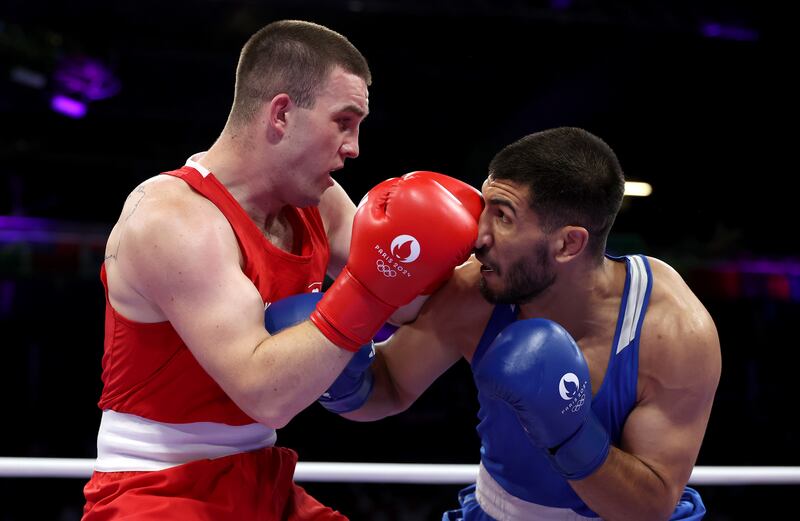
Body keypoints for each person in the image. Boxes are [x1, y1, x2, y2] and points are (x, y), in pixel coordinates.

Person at [82, 19, 481, 520]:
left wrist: (475, 263)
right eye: (344, 121)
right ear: (282, 114)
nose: (354, 147)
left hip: (262, 477)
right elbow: (264, 394)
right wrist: (373, 290)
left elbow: (407, 304)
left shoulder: (317, 201)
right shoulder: (172, 219)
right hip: (156, 489)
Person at [340, 127, 722, 520]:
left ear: (567, 244)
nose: (477, 236)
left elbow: (649, 506)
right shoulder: (478, 288)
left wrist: (569, 434)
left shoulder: (672, 330)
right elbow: (387, 385)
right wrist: (339, 347)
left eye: (503, 216)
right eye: (484, 206)